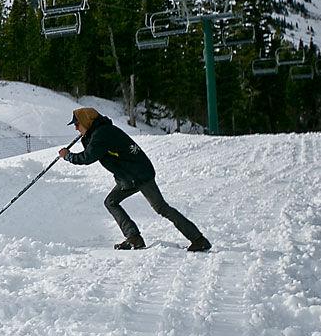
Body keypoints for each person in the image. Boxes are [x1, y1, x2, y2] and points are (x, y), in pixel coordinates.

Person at [59, 107, 211, 252]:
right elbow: (92, 149)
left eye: (77, 124)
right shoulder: (100, 132)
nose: (76, 128)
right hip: (130, 175)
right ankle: (133, 238)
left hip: (138, 175)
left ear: (86, 121)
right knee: (111, 202)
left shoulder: (102, 134)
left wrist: (68, 156)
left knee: (161, 208)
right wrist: (85, 138)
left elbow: (88, 157)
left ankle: (198, 239)